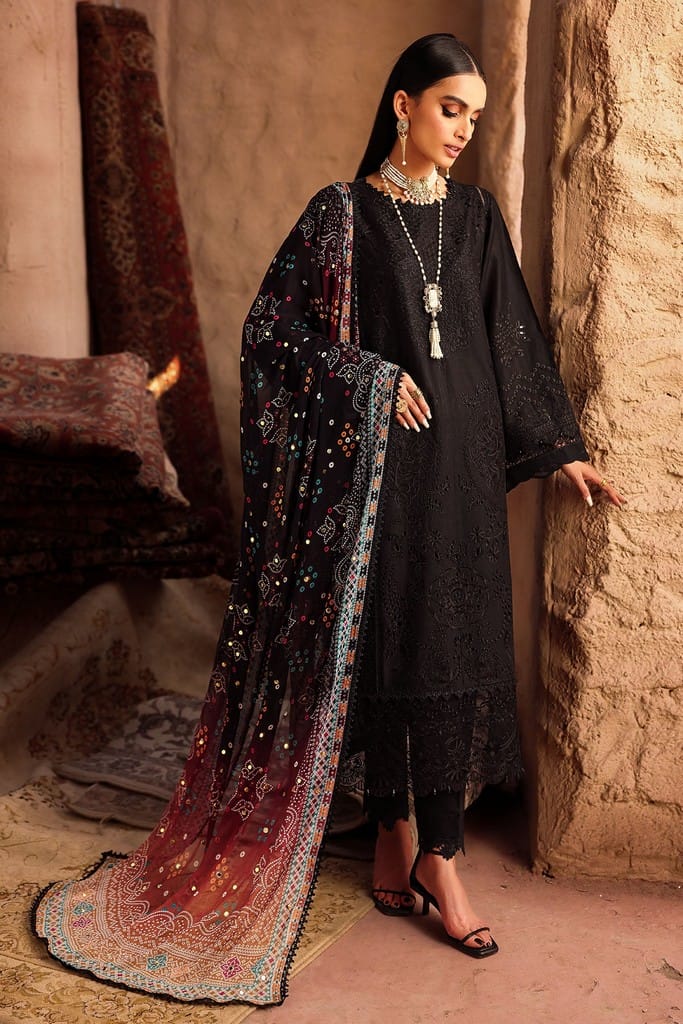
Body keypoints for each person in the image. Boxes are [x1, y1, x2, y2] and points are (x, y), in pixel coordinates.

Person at [33, 33, 626, 1003]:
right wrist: (366, 376)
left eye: (474, 117)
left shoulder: (476, 216)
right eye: (449, 109)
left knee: (453, 644)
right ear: (402, 105)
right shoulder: (340, 216)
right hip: (379, 474)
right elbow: (271, 332)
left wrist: (559, 448)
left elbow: (510, 337)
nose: (462, 131)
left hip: (463, 472)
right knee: (389, 643)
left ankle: (431, 850)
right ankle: (405, 836)